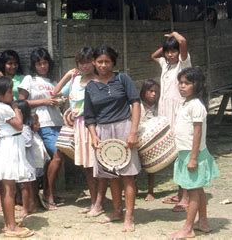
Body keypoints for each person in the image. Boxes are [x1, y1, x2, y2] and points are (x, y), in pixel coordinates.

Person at [84, 45, 141, 232]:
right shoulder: (90, 86)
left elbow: (135, 103)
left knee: (128, 176)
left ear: (113, 62)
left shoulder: (122, 79)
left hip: (124, 128)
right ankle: (117, 211)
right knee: (111, 176)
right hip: (103, 132)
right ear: (93, 62)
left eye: (107, 61)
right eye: (99, 61)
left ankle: (129, 217)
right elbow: (89, 115)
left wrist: (133, 131)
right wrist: (93, 136)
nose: (103, 65)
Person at [54, 46, 106, 216]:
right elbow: (55, 93)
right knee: (86, 167)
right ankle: (93, 202)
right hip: (78, 126)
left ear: (94, 63)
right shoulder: (75, 81)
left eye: (88, 62)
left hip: (93, 126)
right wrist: (68, 75)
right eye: (81, 63)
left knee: (97, 166)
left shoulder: (98, 81)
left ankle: (99, 203)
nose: (85, 66)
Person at [171, 67, 219, 239]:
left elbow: (197, 133)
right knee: (198, 190)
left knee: (192, 191)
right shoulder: (186, 103)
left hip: (194, 155)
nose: (182, 86)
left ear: (197, 85)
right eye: (181, 83)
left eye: (187, 83)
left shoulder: (196, 106)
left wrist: (193, 159)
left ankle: (188, 228)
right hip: (186, 153)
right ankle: (203, 222)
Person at [18, 47, 64, 210]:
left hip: (57, 121)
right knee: (56, 157)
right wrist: (44, 102)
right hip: (41, 123)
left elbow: (55, 100)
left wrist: (58, 102)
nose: (43, 66)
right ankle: (47, 194)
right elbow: (21, 103)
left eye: (45, 63)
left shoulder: (52, 82)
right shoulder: (29, 79)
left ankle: (49, 191)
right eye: (39, 64)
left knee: (55, 159)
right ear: (34, 65)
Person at [0, 76, 35, 237]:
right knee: (9, 188)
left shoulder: (0, 106)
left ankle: (8, 222)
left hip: (12, 144)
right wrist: (16, 107)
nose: (12, 94)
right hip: (9, 147)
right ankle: (12, 226)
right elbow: (19, 125)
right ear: (0, 94)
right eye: (9, 92)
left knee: (7, 187)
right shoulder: (3, 108)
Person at [151, 31, 191, 211]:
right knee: (173, 154)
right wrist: (167, 44)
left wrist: (174, 36)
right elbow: (154, 55)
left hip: (179, 112)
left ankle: (185, 196)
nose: (170, 54)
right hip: (165, 112)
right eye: (168, 52)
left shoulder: (183, 64)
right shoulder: (165, 65)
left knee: (182, 152)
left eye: (173, 51)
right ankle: (180, 192)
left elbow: (182, 42)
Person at [15, 99, 47, 218]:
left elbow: (27, 143)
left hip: (28, 160)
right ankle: (28, 204)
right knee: (24, 184)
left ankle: (30, 206)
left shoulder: (25, 127)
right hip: (22, 159)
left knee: (28, 184)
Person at [138, 79, 160, 201]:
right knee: (135, 166)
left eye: (156, 92)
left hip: (152, 140)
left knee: (152, 167)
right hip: (138, 139)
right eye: (150, 91)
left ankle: (150, 191)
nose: (153, 94)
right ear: (144, 92)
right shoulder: (137, 105)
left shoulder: (159, 107)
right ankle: (133, 188)